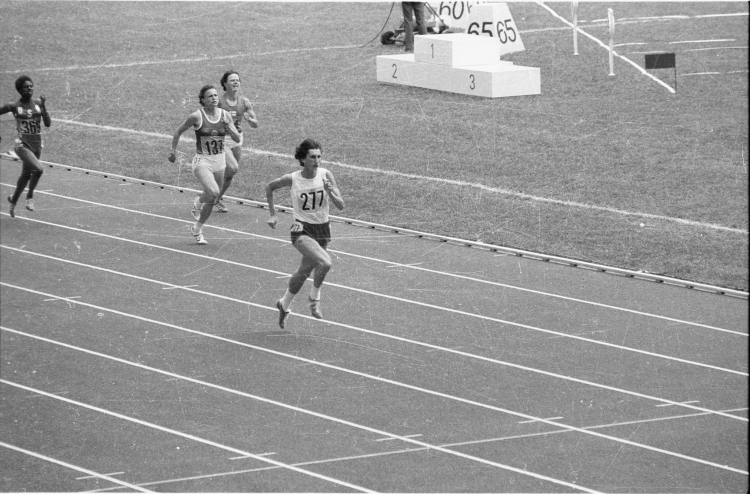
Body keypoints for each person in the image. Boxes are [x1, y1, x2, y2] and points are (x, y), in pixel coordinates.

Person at [266, 139, 345, 328]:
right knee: (325, 263)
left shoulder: (326, 175)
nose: (317, 160)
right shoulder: (292, 179)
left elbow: (341, 205)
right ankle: (314, 299)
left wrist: (330, 191)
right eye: (312, 157)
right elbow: (269, 187)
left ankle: (284, 304)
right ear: (303, 158)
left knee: (304, 271)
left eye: (319, 156)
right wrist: (273, 214)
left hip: (322, 229)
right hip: (301, 230)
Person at [168, 84, 240, 244]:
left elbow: (236, 139)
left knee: (211, 198)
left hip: (220, 160)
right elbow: (178, 131)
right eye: (210, 96)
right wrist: (173, 151)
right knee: (214, 192)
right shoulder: (197, 116)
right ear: (203, 100)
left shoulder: (225, 115)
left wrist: (229, 126)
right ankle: (198, 203)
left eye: (215, 95)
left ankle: (197, 229)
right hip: (203, 161)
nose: (214, 98)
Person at [1, 75, 51, 218]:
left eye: (31, 86)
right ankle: (29, 196)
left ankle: (13, 201)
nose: (29, 88)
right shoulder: (13, 106)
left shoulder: (37, 104)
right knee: (39, 169)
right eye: (26, 87)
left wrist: (43, 105)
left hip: (36, 145)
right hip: (22, 145)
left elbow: (47, 124)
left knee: (25, 175)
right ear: (20, 90)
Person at [215, 70, 258, 213]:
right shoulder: (219, 102)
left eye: (237, 80)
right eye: (232, 80)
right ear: (225, 84)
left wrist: (249, 119)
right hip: (222, 139)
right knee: (233, 168)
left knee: (229, 174)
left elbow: (255, 124)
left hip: (237, 139)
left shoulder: (244, 102)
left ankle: (217, 198)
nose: (236, 82)